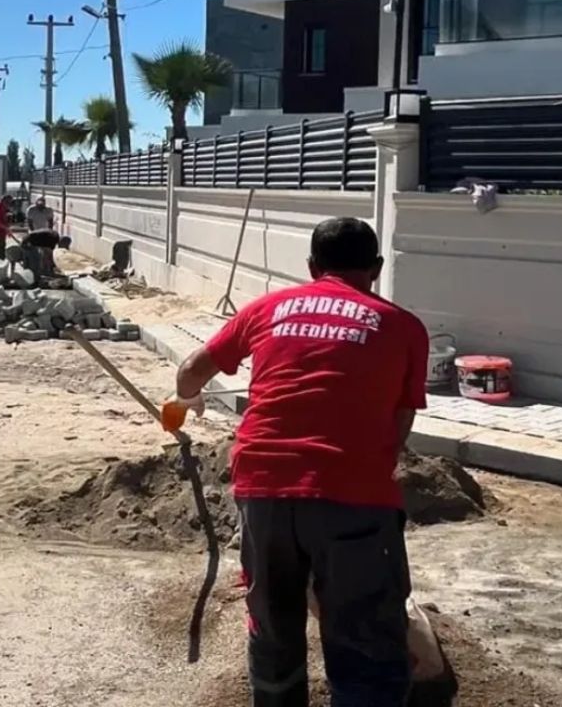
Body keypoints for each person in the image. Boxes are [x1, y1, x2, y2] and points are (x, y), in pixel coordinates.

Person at [170, 217, 428, 706]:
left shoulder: (268, 308)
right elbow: (398, 429)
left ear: (312, 267)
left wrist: (188, 399)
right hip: (353, 494)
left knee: (273, 629)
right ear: (375, 268)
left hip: (262, 488)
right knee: (366, 641)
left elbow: (190, 371)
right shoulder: (404, 326)